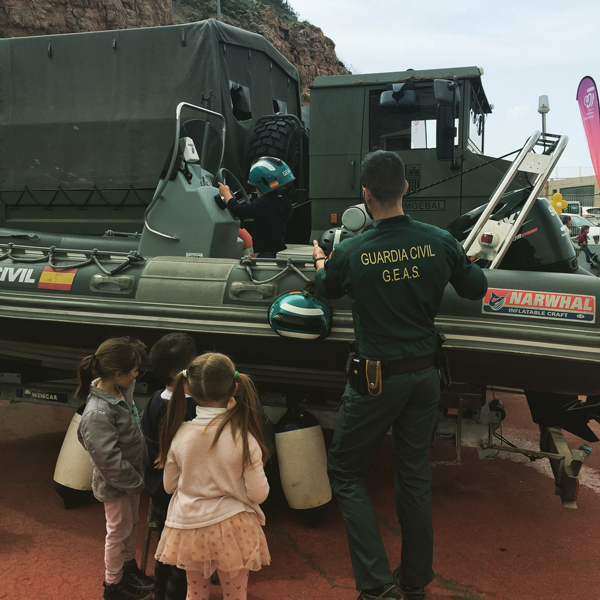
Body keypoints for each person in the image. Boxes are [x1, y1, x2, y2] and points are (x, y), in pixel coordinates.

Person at [312, 150, 488, 600]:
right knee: (413, 476)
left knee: (346, 472)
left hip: (375, 379)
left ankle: (375, 586)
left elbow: (325, 290)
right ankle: (414, 580)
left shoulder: (351, 249)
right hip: (425, 376)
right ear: (406, 188)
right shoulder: (439, 241)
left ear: (365, 194)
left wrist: (320, 264)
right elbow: (475, 287)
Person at [154, 352, 270, 600]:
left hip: (189, 525)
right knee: (235, 596)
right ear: (235, 388)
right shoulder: (244, 438)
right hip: (233, 527)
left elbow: (168, 486)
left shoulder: (180, 434)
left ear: (189, 388)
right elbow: (259, 493)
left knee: (194, 594)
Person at [76, 337, 155, 600]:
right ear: (117, 374)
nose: (136, 376)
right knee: (118, 532)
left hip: (130, 480)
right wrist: (133, 482)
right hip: (118, 485)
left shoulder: (118, 391)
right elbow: (106, 458)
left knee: (131, 525)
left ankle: (128, 567)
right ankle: (114, 586)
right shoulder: (98, 412)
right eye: (134, 371)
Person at [141, 333, 198, 600]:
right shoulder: (194, 409)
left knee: (167, 548)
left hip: (160, 491)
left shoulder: (154, 400)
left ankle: (159, 593)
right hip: (187, 496)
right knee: (185, 560)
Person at [217, 156, 294, 258]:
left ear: (264, 184)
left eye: (256, 188)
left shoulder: (263, 204)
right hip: (277, 248)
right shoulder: (284, 202)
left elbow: (238, 211)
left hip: (265, 252)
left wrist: (227, 195)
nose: (256, 191)